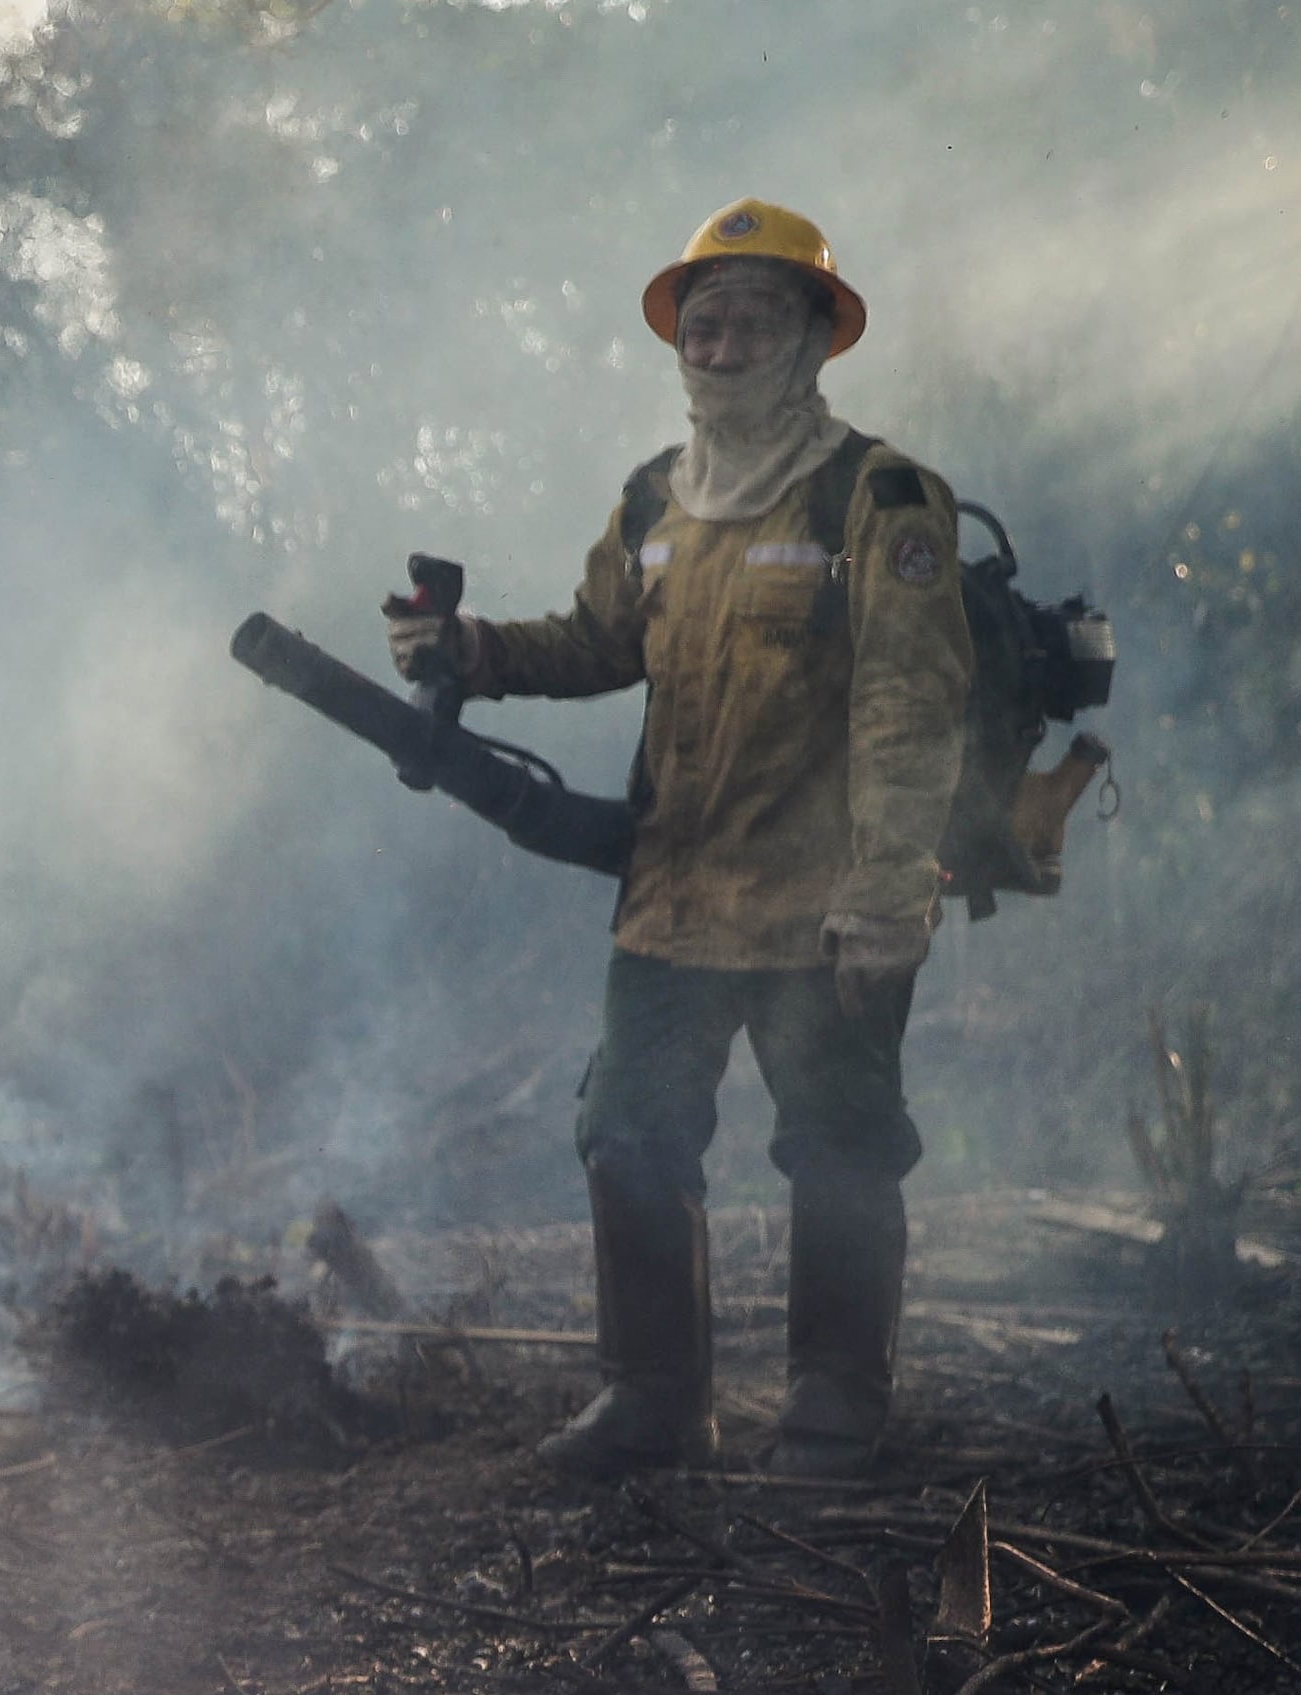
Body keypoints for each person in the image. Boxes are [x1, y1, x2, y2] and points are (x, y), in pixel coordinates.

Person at [393, 199, 976, 1479]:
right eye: (699, 326)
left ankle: (834, 1405)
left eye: (748, 323)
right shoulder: (655, 496)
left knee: (837, 1143)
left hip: (822, 904)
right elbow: (598, 640)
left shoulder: (876, 496)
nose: (717, 348)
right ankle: (651, 1400)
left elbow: (910, 703)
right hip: (669, 901)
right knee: (626, 1135)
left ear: (811, 338)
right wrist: (474, 650)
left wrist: (888, 891)